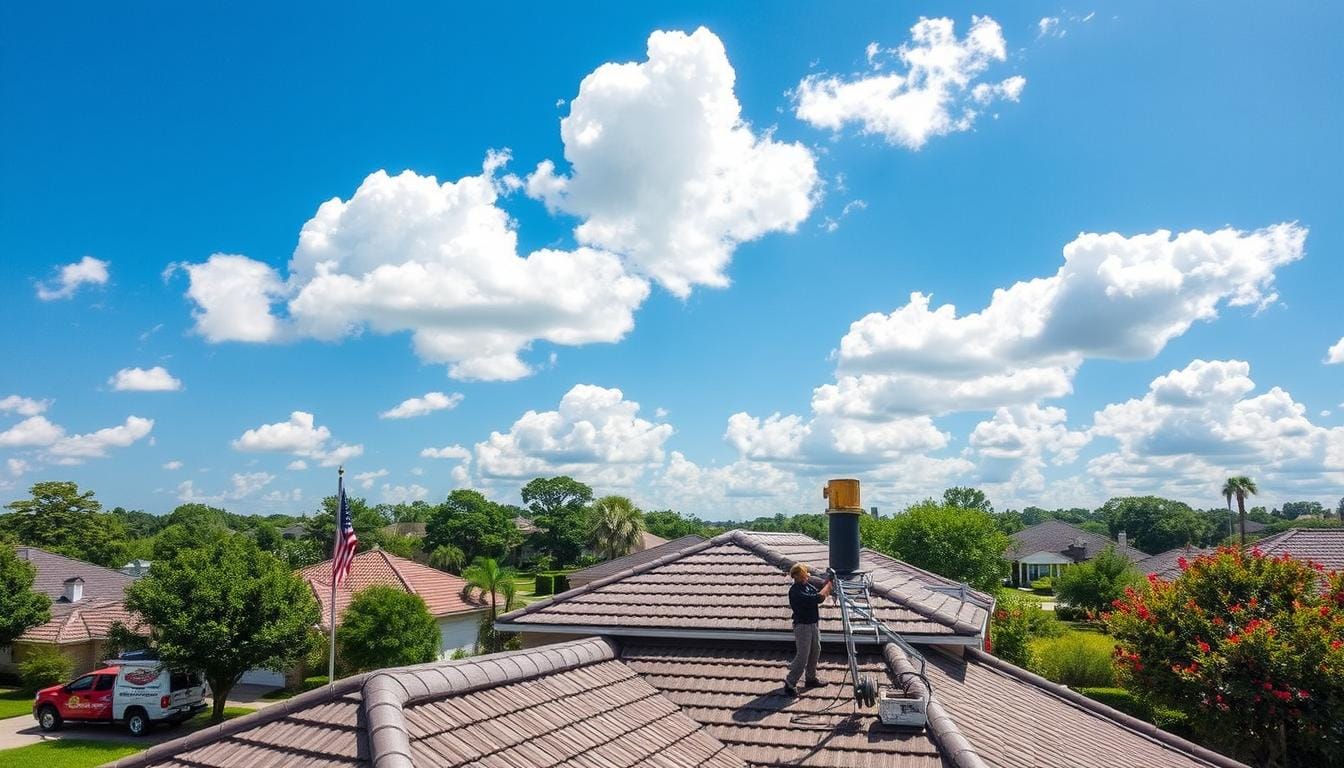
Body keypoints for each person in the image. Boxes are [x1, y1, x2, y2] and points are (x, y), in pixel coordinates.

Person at [783, 562, 832, 696]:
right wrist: (829, 585)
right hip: (803, 626)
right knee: (803, 655)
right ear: (798, 576)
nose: (807, 577)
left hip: (813, 624)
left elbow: (818, 590)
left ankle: (810, 678)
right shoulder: (795, 591)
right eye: (804, 575)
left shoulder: (806, 586)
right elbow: (819, 598)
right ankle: (790, 682)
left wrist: (826, 581)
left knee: (815, 650)